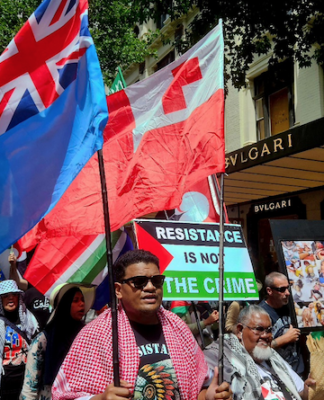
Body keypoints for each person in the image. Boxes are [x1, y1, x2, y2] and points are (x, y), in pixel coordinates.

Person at [52, 249, 232, 400]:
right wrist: (99, 398)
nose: (150, 287)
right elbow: (62, 396)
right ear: (118, 290)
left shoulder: (178, 327)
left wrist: (210, 396)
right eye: (139, 282)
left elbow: (195, 391)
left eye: (156, 281)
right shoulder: (95, 334)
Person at [203, 305, 315, 400]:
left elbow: (297, 393)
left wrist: (308, 391)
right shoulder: (221, 357)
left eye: (269, 330)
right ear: (240, 330)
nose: (266, 335)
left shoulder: (273, 358)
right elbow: (204, 393)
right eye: (259, 329)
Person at [20, 283, 96, 400]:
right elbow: (30, 387)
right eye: (75, 300)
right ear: (64, 305)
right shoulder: (43, 340)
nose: (82, 304)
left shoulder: (86, 335)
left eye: (82, 300)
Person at [0, 280, 38, 400]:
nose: (11, 298)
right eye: (6, 296)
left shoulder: (29, 319)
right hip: (5, 381)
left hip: (26, 380)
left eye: (14, 295)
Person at [259, 272, 304, 374]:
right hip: (278, 374)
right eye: (282, 289)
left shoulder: (291, 307)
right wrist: (284, 339)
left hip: (298, 371)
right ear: (269, 291)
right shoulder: (260, 314)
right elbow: (256, 350)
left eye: (288, 288)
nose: (287, 293)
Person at [9, 253, 51, 330]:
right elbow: (16, 282)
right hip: (34, 333)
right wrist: (13, 266)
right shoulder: (31, 288)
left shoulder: (56, 286)